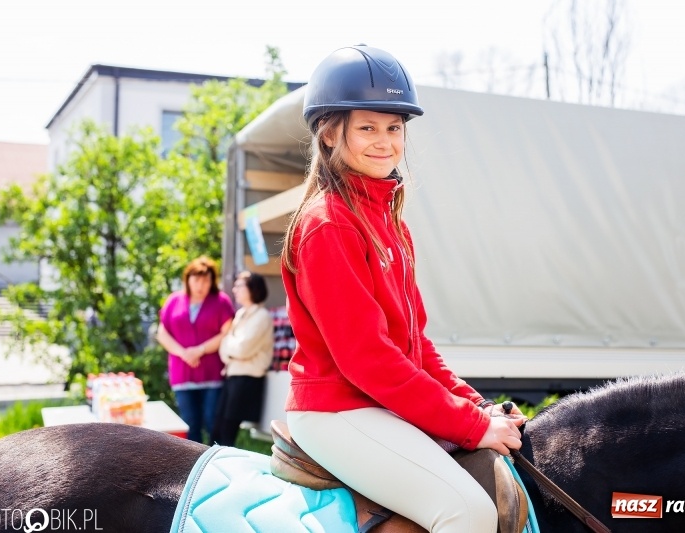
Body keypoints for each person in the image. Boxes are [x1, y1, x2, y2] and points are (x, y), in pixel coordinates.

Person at [281, 45, 527, 533]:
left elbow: (416, 349)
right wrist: (473, 426)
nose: (385, 142)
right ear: (330, 132)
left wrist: (473, 402)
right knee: (468, 510)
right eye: (368, 128)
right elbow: (368, 358)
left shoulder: (390, 223)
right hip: (338, 409)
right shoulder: (328, 224)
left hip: (376, 401)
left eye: (394, 128)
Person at [157, 256, 235, 443]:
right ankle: (193, 467)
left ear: (212, 282)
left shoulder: (221, 301)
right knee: (189, 423)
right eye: (196, 279)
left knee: (212, 421)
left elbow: (227, 332)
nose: (201, 284)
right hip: (182, 374)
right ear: (188, 279)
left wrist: (199, 350)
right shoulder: (174, 301)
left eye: (206, 280)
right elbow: (162, 333)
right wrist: (184, 353)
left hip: (211, 374)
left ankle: (218, 461)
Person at [213, 271, 274, 446]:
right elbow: (226, 349)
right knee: (218, 427)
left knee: (227, 431)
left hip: (247, 378)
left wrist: (228, 345)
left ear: (253, 288)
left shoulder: (262, 316)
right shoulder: (240, 314)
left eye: (240, 285)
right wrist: (230, 347)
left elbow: (243, 348)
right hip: (233, 375)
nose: (234, 289)